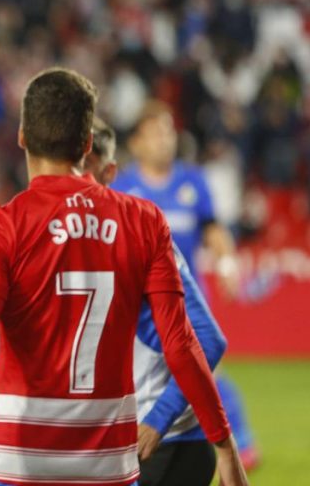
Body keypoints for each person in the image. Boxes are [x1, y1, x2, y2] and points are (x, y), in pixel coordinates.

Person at [0, 68, 248, 486]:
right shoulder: (144, 222)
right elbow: (182, 342)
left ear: (22, 138)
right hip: (107, 467)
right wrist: (225, 445)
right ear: (87, 144)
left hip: (13, 459)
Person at [111, 103, 257, 467]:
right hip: (142, 306)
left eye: (169, 132)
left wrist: (226, 263)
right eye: (156, 133)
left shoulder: (192, 181)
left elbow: (213, 229)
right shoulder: (123, 185)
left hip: (186, 299)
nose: (165, 140)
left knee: (206, 370)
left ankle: (242, 441)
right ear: (137, 142)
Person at [86, 118, 228, 486]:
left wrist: (159, 421)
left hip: (160, 438)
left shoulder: (145, 221)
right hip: (109, 436)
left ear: (107, 171)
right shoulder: (64, 233)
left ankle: (239, 440)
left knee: (206, 370)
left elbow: (209, 342)